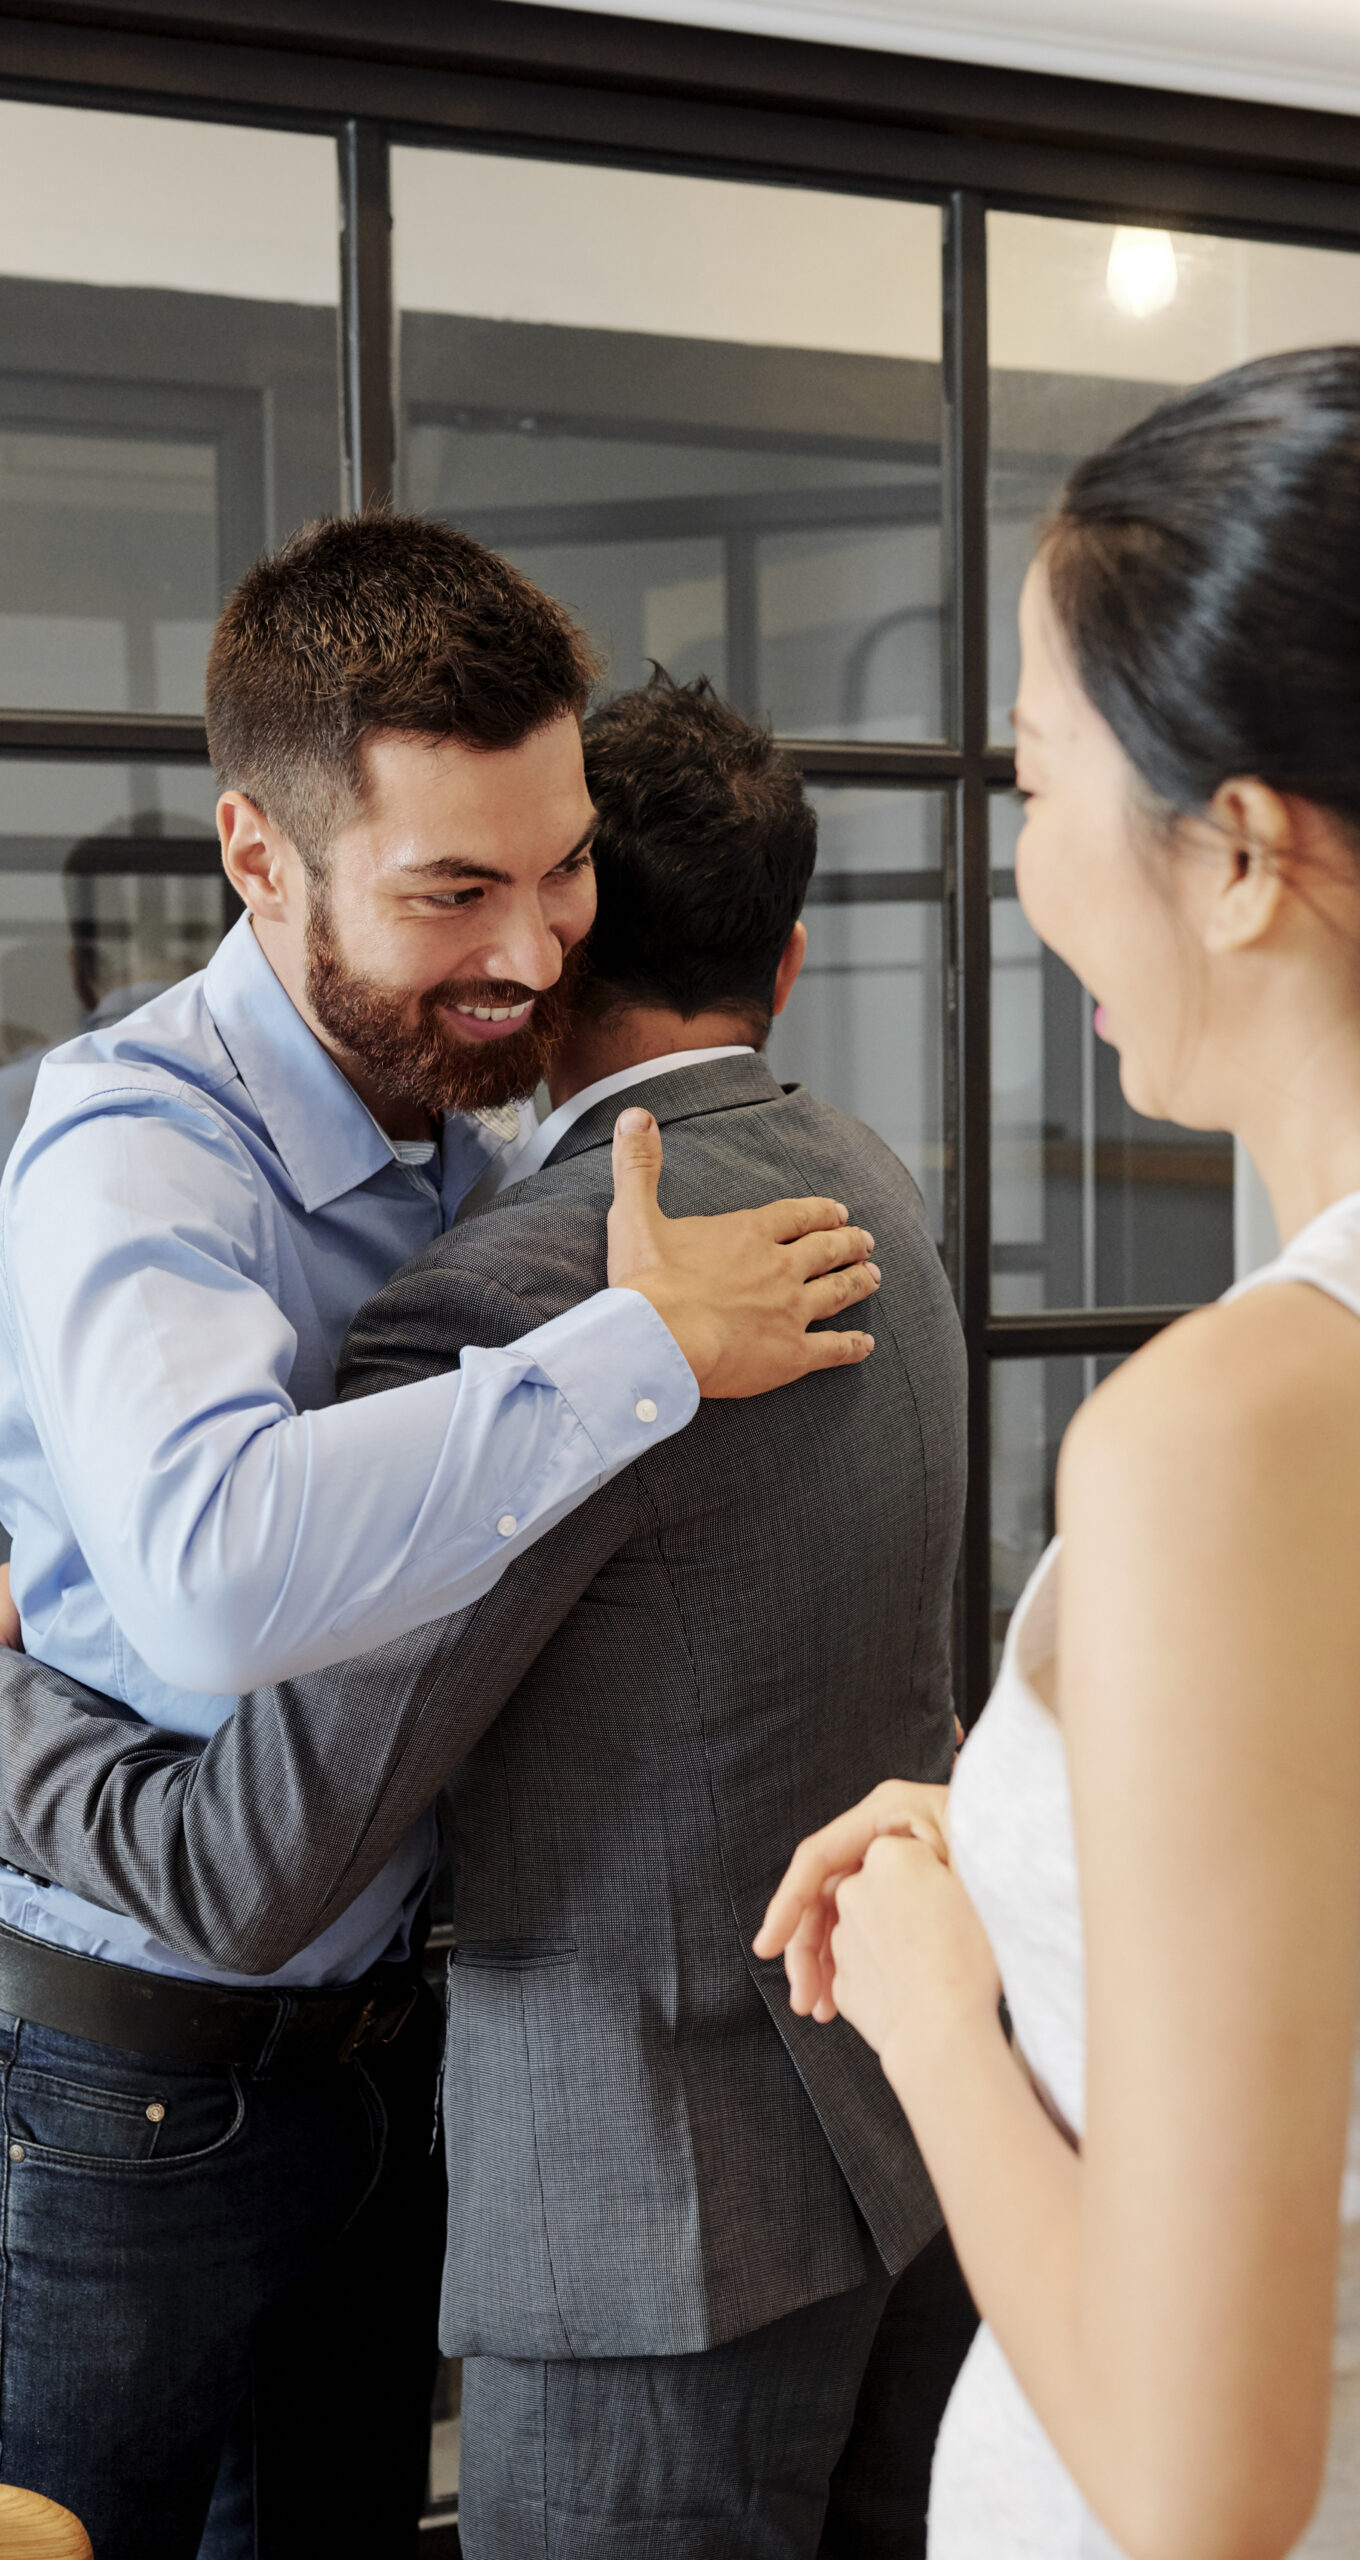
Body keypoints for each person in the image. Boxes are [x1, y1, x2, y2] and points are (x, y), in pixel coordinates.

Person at [760, 346, 1360, 2560]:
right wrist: (1047, 1840)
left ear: (1246, 850)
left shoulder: (1241, 1437)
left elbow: (1204, 2483)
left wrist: (933, 2001)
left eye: (1034, 777)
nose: (1023, 868)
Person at [0, 672, 974, 2557]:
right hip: (871, 2132)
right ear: (783, 967)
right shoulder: (860, 1177)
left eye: (547, 885)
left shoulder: (525, 1263)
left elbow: (243, 1859)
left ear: (569, 941)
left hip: (648, 2204)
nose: (513, 944)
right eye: (464, 891)